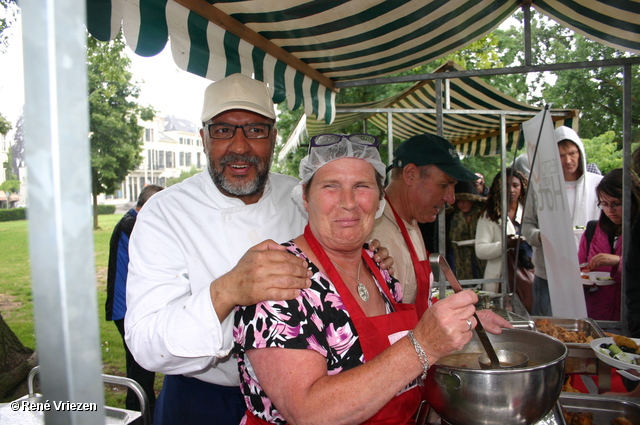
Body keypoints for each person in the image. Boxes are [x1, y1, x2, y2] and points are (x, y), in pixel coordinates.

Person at [124, 74, 391, 425]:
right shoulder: (165, 212)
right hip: (202, 400)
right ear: (203, 139)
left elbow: (334, 256)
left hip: (302, 395)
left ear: (274, 137)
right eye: (222, 131)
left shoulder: (299, 196)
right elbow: (146, 343)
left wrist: (360, 260)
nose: (239, 146)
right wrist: (228, 290)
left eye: (255, 130)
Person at [234, 134, 510, 425]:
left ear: (379, 198)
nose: (349, 203)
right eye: (331, 186)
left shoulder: (378, 266)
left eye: (362, 186)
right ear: (305, 195)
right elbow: (309, 412)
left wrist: (464, 323)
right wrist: (424, 345)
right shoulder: (277, 281)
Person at [369, 134, 480, 314]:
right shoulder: (374, 232)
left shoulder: (412, 219)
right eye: (444, 184)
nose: (451, 198)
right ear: (410, 174)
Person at [522, 126, 602, 316]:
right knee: (547, 329)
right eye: (561, 155)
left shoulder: (598, 183)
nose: (568, 160)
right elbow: (527, 224)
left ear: (580, 152)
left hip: (587, 272)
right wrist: (540, 236)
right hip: (548, 272)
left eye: (572, 153)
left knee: (584, 328)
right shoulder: (539, 186)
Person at [106, 184, 163, 416]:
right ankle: (142, 414)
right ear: (149, 204)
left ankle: (139, 411)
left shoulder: (131, 221)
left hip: (127, 308)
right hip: (127, 309)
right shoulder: (133, 225)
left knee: (140, 369)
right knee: (142, 368)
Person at [579, 168, 639, 321]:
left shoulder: (636, 233)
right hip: (596, 316)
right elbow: (581, 267)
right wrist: (583, 279)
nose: (610, 210)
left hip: (629, 315)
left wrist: (619, 261)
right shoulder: (592, 230)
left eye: (616, 204)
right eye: (604, 204)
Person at [475, 169, 532, 298]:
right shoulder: (490, 215)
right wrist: (505, 244)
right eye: (506, 186)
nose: (511, 190)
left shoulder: (530, 213)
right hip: (499, 279)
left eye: (515, 185)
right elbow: (480, 250)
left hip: (527, 275)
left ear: (522, 187)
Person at [447, 181, 486, 280]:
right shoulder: (454, 216)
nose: (462, 204)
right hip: (460, 260)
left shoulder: (482, 215)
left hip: (481, 258)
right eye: (458, 201)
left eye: (464, 200)